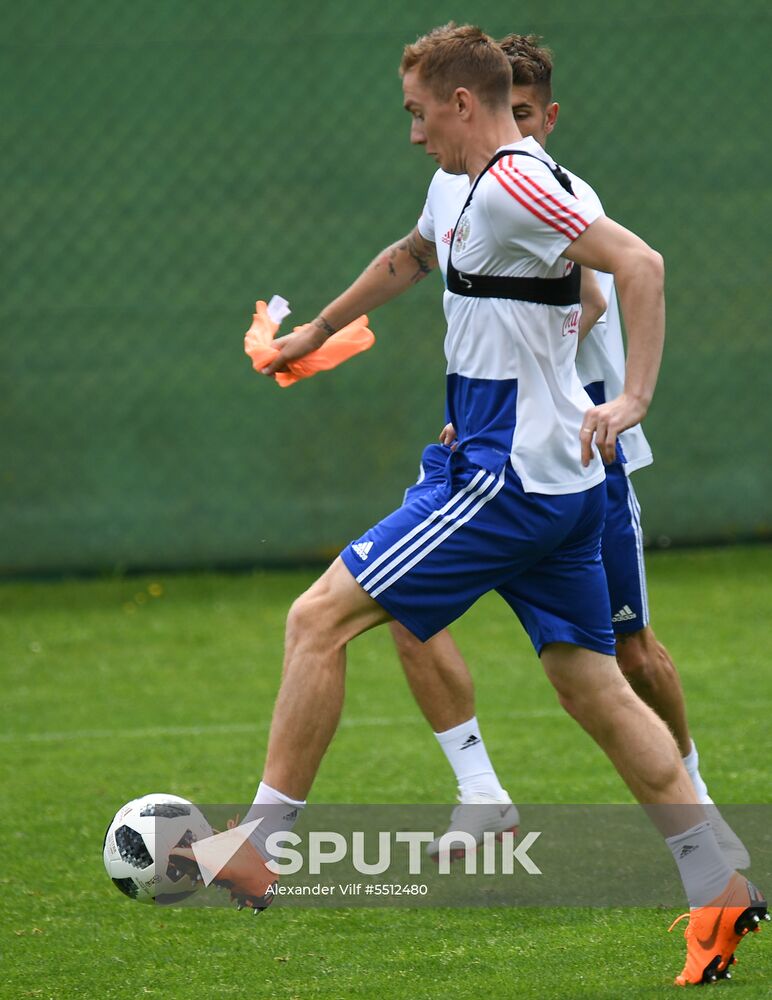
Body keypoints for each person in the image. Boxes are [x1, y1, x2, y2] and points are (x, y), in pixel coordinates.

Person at [174, 24, 766, 986]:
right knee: (593, 686)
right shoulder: (462, 182)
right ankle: (718, 886)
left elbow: (639, 266)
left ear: (461, 104)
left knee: (317, 619)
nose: (411, 134)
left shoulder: (514, 178)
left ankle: (261, 842)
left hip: (507, 477)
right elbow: (414, 254)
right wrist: (312, 333)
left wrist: (634, 399)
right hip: (546, 480)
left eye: (418, 113)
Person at [388, 32, 750, 871]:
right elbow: (415, 262)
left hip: (588, 452)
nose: (503, 131)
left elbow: (601, 288)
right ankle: (483, 793)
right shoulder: (462, 187)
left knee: (627, 657)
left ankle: (701, 815)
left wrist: (611, 397)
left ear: (543, 117)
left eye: (522, 116)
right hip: (507, 454)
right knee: (402, 607)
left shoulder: (545, 191)